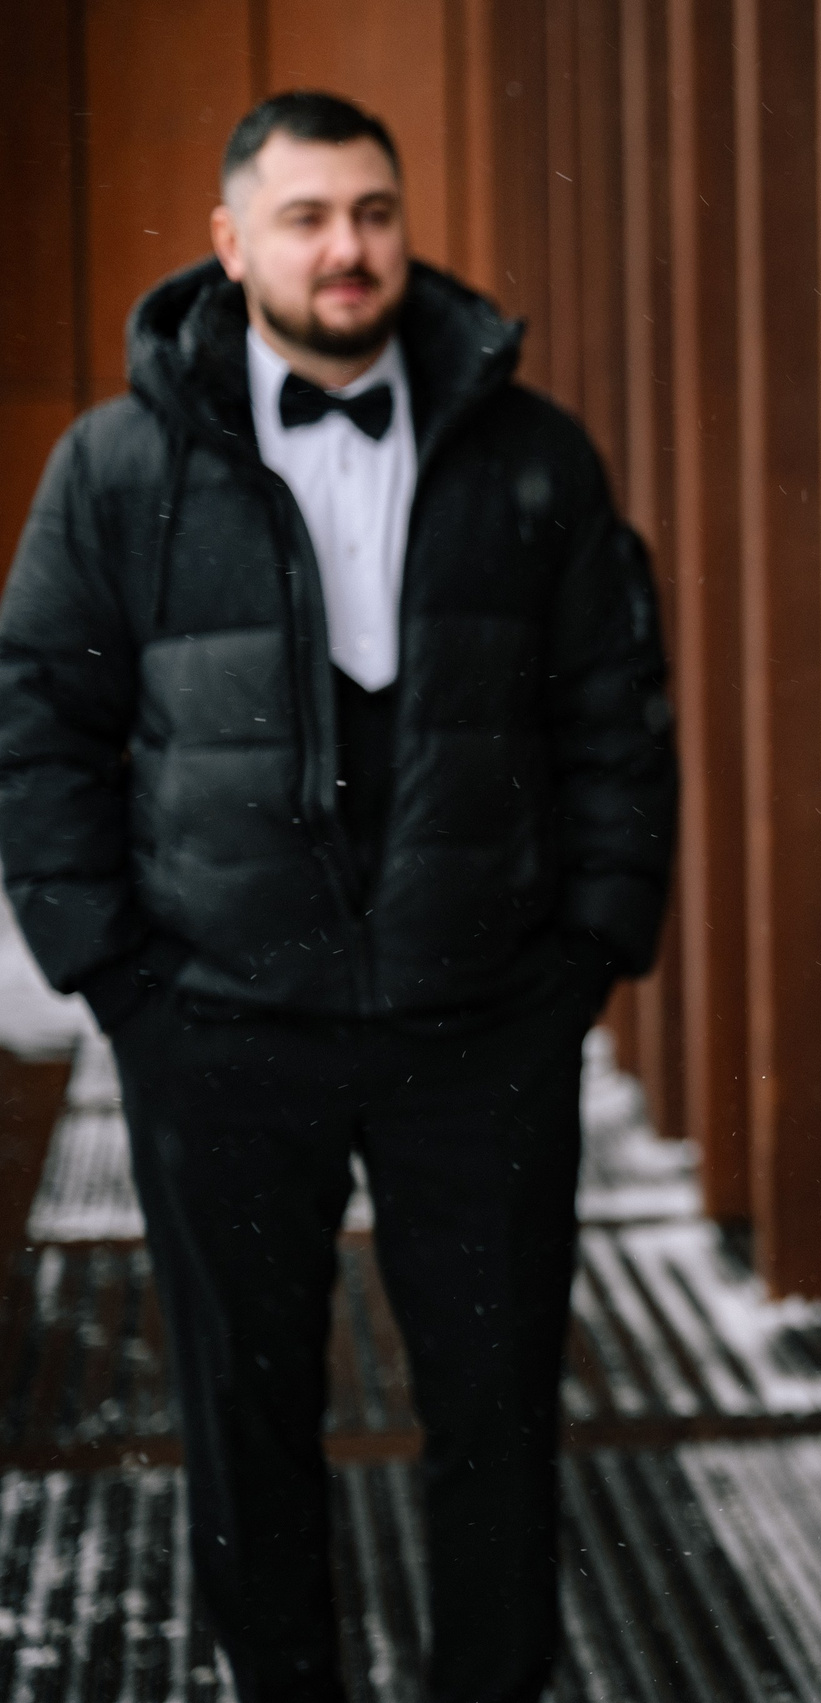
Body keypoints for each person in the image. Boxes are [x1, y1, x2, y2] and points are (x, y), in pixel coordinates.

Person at [0, 92, 675, 1702]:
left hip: (481, 1018)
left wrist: (584, 952)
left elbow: (617, 713)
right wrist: (118, 978)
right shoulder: (115, 466)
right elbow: (41, 720)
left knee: (501, 1407)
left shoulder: (531, 451)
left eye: (371, 210)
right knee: (243, 1412)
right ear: (232, 245)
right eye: (305, 217)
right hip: (220, 1023)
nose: (347, 247)